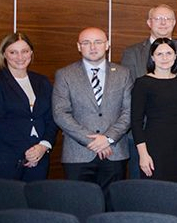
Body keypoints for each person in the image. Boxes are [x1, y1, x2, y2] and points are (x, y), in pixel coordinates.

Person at [52, 27, 133, 189]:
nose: (93, 47)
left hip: (114, 152)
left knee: (112, 202)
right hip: (77, 154)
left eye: (98, 42)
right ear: (78, 46)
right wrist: (92, 141)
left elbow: (129, 111)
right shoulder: (65, 74)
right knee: (80, 202)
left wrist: (108, 138)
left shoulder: (123, 73)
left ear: (107, 45)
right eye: (86, 43)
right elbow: (60, 113)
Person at [131, 38, 177, 183]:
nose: (165, 58)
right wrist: (143, 154)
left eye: (169, 53)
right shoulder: (143, 83)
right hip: (154, 146)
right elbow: (136, 122)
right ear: (152, 57)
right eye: (159, 54)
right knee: (156, 190)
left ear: (175, 56)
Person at [0, 32, 55, 181]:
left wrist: (43, 146)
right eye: (13, 52)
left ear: (31, 53)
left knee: (36, 196)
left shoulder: (42, 81)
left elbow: (51, 118)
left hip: (39, 158)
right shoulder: (0, 81)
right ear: (4, 54)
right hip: (5, 160)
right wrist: (26, 152)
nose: (20, 57)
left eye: (24, 51)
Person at [121, 4, 177, 80]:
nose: (163, 23)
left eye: (168, 19)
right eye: (158, 19)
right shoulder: (132, 53)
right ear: (149, 23)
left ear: (174, 23)